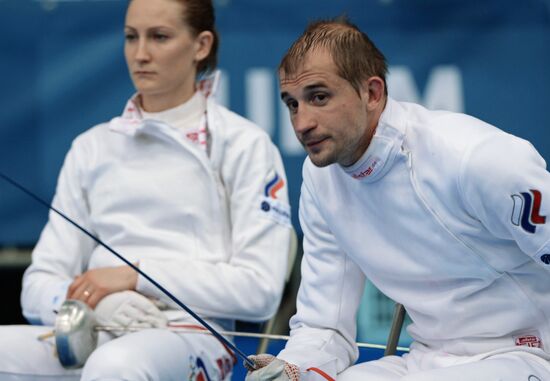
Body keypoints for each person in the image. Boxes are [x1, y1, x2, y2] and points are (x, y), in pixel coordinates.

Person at [246, 17, 550, 381]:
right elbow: (324, 327)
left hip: (525, 355)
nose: (302, 123)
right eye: (292, 104)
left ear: (372, 93)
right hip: (425, 359)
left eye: (319, 97)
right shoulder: (320, 178)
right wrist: (293, 369)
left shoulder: (474, 157)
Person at [0, 0, 291, 380]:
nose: (140, 54)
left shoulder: (243, 145)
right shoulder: (92, 147)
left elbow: (259, 290)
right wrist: (94, 307)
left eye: (159, 37)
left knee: (115, 366)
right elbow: (37, 285)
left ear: (200, 45)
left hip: (194, 337)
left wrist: (136, 276)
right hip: (92, 328)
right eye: (130, 37)